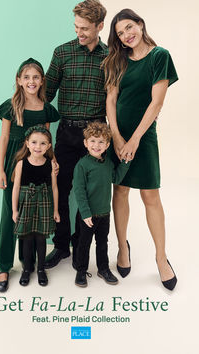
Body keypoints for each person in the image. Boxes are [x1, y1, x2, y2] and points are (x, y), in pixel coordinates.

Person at [103, 9, 178, 290]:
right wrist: (117, 137)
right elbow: (111, 100)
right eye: (121, 33)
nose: (126, 35)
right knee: (120, 191)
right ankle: (123, 247)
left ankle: (161, 258)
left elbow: (156, 103)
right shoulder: (117, 61)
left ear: (141, 24)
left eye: (129, 27)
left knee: (150, 196)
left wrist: (133, 140)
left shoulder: (160, 56)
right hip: (117, 136)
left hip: (143, 138)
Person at [45, 0, 108, 269]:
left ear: (99, 26)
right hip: (67, 133)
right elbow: (45, 95)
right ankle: (61, 246)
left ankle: (81, 245)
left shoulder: (111, 57)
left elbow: (116, 100)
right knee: (61, 189)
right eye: (76, 27)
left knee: (92, 195)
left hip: (96, 136)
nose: (79, 33)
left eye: (84, 28)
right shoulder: (62, 53)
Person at [0, 58, 60, 292]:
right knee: (10, 215)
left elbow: (46, 141)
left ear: (41, 80)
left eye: (35, 77)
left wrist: (52, 162)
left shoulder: (46, 109)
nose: (31, 81)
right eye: (27, 77)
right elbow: (4, 138)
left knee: (32, 214)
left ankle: (28, 262)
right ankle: (4, 266)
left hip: (37, 165)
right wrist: (1, 169)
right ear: (19, 80)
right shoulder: (10, 107)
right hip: (14, 163)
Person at [73, 122, 130, 287]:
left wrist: (126, 162)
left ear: (107, 145)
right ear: (86, 143)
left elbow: (116, 178)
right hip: (87, 215)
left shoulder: (108, 163)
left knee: (102, 243)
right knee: (84, 244)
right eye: (92, 141)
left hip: (104, 213)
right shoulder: (82, 165)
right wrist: (85, 213)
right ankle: (81, 271)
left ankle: (103, 269)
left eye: (100, 142)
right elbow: (79, 190)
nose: (96, 145)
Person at [12, 125, 60, 286]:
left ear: (49, 146)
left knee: (41, 239)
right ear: (27, 143)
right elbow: (16, 188)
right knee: (26, 238)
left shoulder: (50, 164)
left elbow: (54, 187)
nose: (38, 147)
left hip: (44, 203)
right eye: (34, 142)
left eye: (42, 143)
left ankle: (40, 269)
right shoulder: (21, 164)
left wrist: (55, 210)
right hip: (27, 204)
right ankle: (27, 269)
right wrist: (14, 210)